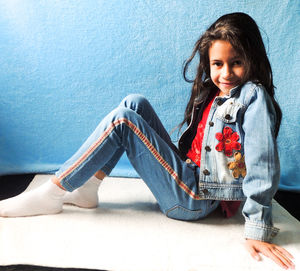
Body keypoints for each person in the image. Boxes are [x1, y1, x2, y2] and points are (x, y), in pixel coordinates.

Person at [0, 12, 295, 269]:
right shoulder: (217, 91)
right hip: (190, 175)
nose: (226, 73)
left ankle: (53, 192)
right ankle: (89, 188)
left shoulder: (253, 96)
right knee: (133, 103)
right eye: (217, 64)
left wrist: (257, 228)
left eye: (237, 62)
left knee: (122, 121)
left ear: (253, 59)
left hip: (196, 201)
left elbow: (261, 164)